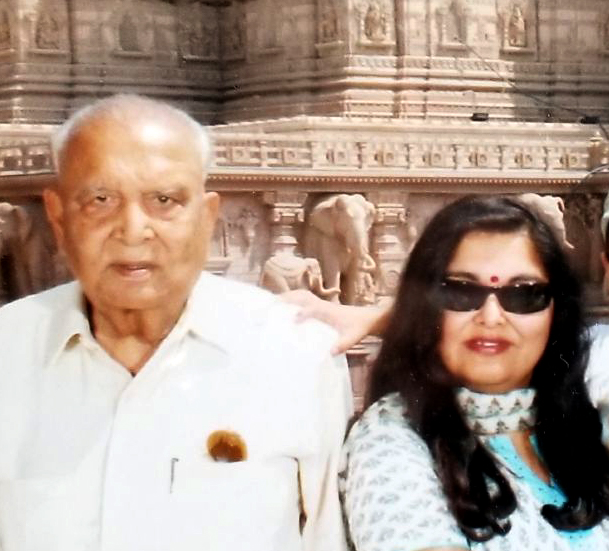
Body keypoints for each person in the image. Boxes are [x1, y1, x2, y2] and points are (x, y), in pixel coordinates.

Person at [0, 94, 353, 551]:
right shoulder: (8, 354)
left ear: (207, 218)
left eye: (164, 200)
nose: (132, 229)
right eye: (100, 199)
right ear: (59, 219)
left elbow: (327, 537)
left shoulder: (296, 355)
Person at [339, 196, 609, 550]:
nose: (491, 317)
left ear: (555, 313)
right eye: (461, 292)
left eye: (524, 295)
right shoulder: (392, 436)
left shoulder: (581, 421)